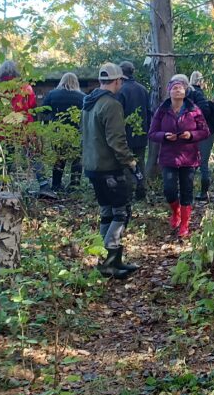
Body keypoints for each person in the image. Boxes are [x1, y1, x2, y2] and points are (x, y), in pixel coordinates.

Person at [81, 63, 140, 279]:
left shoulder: (88, 103)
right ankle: (111, 258)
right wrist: (131, 163)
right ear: (117, 81)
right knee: (121, 212)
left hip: (92, 168)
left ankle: (109, 260)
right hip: (109, 169)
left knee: (107, 211)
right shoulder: (111, 105)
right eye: (120, 81)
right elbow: (117, 140)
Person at [148, 74, 209, 238]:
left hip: (189, 157)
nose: (177, 89)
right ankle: (175, 212)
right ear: (169, 91)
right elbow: (152, 133)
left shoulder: (194, 109)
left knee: (187, 190)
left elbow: (205, 131)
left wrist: (191, 135)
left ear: (186, 91)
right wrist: (164, 136)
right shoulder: (162, 110)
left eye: (181, 87)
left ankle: (184, 224)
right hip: (169, 157)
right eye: (174, 87)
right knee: (169, 189)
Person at [0, 60, 55, 197]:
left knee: (5, 156)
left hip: (4, 126)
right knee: (32, 155)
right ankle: (44, 185)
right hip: (25, 126)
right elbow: (32, 105)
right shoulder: (25, 87)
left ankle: (0, 186)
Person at [42, 72, 85, 191]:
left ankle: (56, 185)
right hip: (76, 132)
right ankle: (74, 185)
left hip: (58, 131)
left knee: (59, 158)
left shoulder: (53, 94)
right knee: (77, 159)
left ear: (62, 81)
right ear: (76, 82)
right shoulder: (82, 97)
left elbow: (44, 110)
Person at [187, 71, 214, 201]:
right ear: (201, 82)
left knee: (190, 162)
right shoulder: (199, 95)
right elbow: (205, 112)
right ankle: (203, 193)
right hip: (205, 134)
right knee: (202, 163)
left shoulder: (188, 95)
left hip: (192, 133)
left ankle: (188, 192)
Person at [117, 61, 151, 200]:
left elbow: (118, 112)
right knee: (140, 161)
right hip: (141, 132)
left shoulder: (120, 90)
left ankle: (128, 190)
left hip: (125, 132)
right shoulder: (142, 89)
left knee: (125, 162)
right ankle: (141, 187)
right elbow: (148, 111)